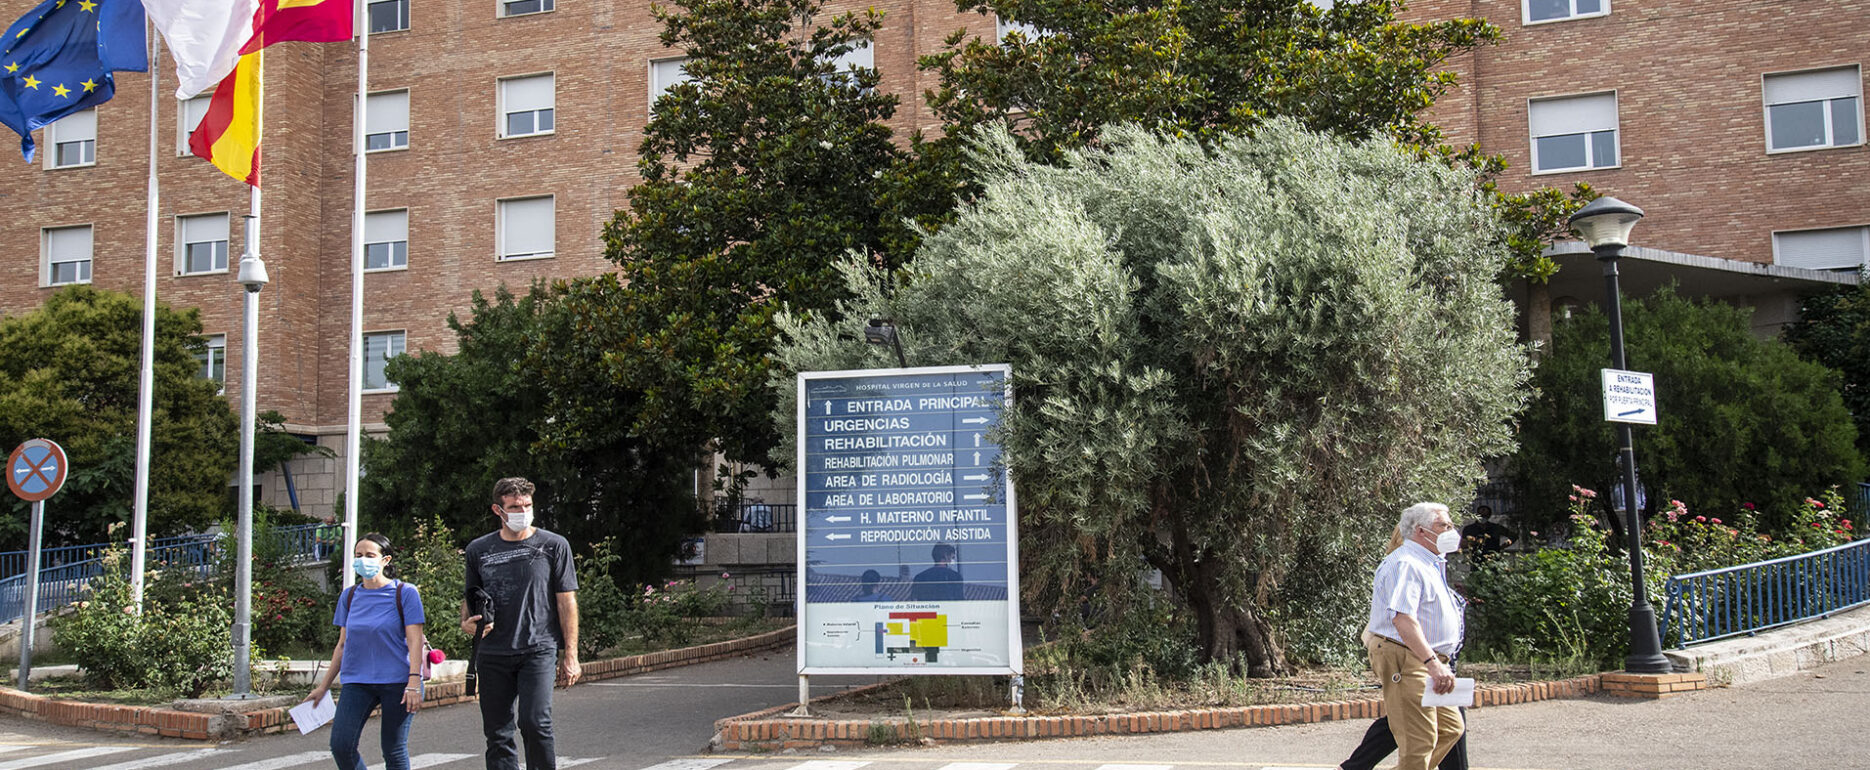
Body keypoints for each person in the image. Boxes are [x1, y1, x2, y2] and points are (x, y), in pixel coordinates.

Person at [462, 477, 580, 770]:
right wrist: (466, 622)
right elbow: (470, 596)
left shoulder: (554, 545)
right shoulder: (479, 549)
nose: (522, 511)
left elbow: (566, 601)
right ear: (497, 510)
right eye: (514, 506)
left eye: (527, 505)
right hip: (493, 653)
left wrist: (571, 654)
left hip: (538, 648)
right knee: (498, 733)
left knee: (535, 722)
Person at [306, 533, 426, 770]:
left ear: (386, 560)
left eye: (370, 555)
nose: (363, 560)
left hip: (399, 682)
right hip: (357, 681)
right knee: (341, 745)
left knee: (393, 749)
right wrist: (323, 686)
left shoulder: (405, 593)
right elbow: (342, 644)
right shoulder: (349, 596)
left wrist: (414, 681)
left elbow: (415, 641)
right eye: (358, 555)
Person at [1362, 502, 1467, 770]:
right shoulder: (1408, 563)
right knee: (1419, 741)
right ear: (1421, 531)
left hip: (1424, 657)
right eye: (1444, 525)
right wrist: (1433, 663)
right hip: (1408, 656)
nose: (1451, 530)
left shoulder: (1428, 562)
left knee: (1451, 729)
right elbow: (1403, 618)